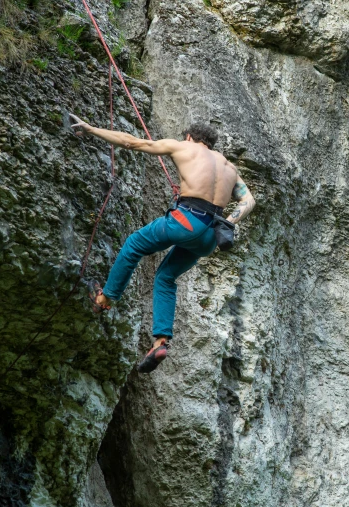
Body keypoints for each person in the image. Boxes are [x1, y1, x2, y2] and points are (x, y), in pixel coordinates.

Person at [69, 114, 256, 373]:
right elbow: (249, 202)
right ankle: (160, 342)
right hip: (210, 235)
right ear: (210, 143)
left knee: (134, 243)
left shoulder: (183, 147)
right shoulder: (229, 167)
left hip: (186, 221)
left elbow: (132, 143)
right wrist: (228, 223)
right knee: (166, 277)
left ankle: (105, 299)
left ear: (190, 137)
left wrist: (91, 129)